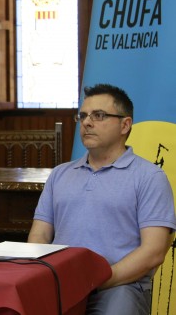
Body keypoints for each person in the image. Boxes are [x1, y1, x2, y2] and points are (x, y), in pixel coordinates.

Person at [28, 83, 176, 315]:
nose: (87, 122)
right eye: (83, 116)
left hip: (120, 284)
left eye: (98, 115)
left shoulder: (149, 177)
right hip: (61, 284)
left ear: (125, 125)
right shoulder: (60, 174)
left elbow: (153, 251)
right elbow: (39, 235)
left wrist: (97, 281)